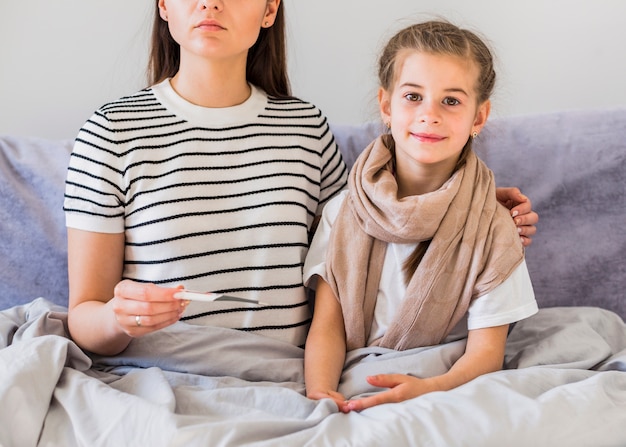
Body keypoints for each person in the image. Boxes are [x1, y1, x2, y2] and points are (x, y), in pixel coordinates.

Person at [63, 2, 537, 357]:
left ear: (269, 9)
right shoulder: (111, 132)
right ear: (164, 5)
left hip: (286, 374)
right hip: (162, 371)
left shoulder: (305, 128)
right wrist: (117, 318)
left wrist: (465, 207)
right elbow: (84, 320)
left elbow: (365, 226)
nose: (211, 3)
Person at [303, 20, 539, 412]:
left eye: (451, 101)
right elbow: (327, 325)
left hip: (446, 381)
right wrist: (321, 393)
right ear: (386, 106)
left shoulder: (494, 227)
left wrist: (428, 389)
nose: (429, 115)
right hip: (351, 374)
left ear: (478, 118)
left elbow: (485, 355)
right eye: (413, 96)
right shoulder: (344, 210)